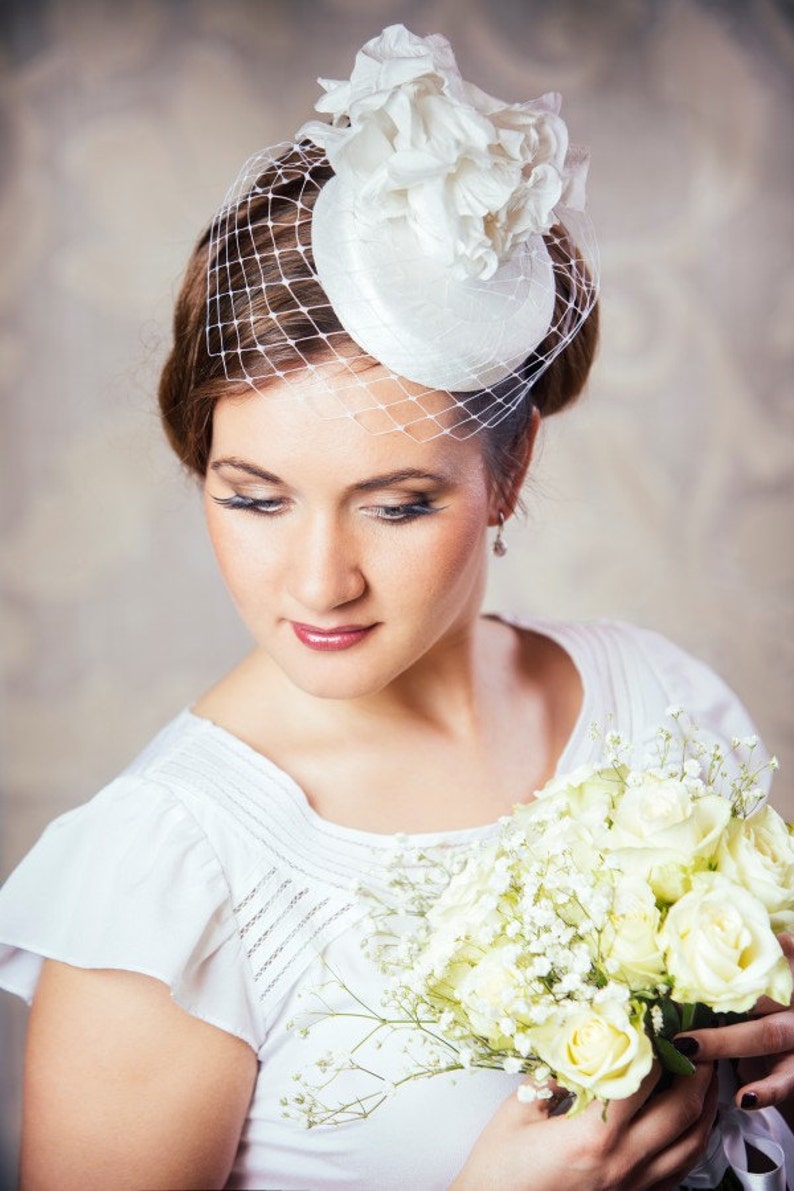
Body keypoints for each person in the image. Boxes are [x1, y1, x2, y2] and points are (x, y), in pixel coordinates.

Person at [0, 23, 792, 1191]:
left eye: (396, 506)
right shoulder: (166, 884)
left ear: (506, 472)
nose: (318, 582)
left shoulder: (668, 708)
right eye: (254, 499)